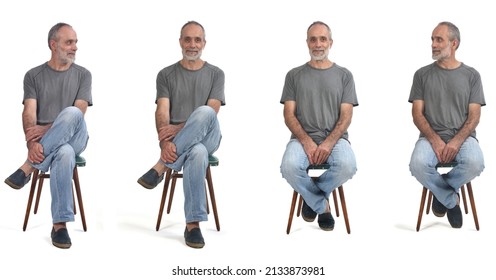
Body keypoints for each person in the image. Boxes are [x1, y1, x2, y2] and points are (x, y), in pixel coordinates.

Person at [137, 21, 225, 249]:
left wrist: (177, 131)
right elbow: (162, 112)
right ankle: (193, 225)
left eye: (197, 40)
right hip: (178, 145)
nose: (192, 44)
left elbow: (213, 110)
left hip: (209, 135)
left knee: (205, 111)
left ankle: (161, 166)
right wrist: (165, 140)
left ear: (204, 43)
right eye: (188, 39)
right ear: (180, 42)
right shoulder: (166, 74)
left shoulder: (216, 74)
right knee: (195, 152)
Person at [4, 22, 92, 248]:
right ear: (54, 45)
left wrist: (44, 132)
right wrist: (31, 142)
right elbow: (29, 113)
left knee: (72, 112)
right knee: (62, 152)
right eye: (69, 42)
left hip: (76, 136)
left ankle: (28, 167)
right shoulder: (33, 75)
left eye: (75, 42)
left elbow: (80, 111)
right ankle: (60, 226)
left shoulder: (83, 74)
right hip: (45, 145)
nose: (75, 47)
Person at [280, 21, 358, 231]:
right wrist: (306, 142)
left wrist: (327, 144)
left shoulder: (344, 75)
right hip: (301, 137)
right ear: (307, 43)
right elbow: (288, 115)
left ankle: (310, 197)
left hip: (335, 138)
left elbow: (346, 117)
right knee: (288, 167)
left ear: (330, 42)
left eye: (322, 39)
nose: (318, 44)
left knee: (348, 165)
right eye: (313, 39)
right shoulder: (294, 75)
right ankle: (322, 206)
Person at [409, 21, 485, 229]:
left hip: (464, 136)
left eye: (439, 39)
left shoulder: (472, 75)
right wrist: (435, 140)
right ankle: (451, 200)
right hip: (429, 135)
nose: (433, 44)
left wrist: (456, 141)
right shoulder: (421, 75)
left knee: (475, 162)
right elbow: (417, 114)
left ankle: (440, 193)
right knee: (417, 164)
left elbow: (474, 116)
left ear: (454, 44)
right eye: (432, 39)